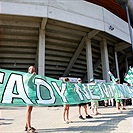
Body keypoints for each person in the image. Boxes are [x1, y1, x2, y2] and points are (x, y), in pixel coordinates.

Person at [24, 66, 36, 132]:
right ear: (28, 70)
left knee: (30, 110)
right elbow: (26, 81)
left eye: (33, 68)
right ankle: (29, 127)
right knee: (28, 109)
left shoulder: (33, 76)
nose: (32, 69)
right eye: (31, 68)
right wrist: (32, 75)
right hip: (28, 94)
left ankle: (26, 125)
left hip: (32, 94)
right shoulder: (27, 75)